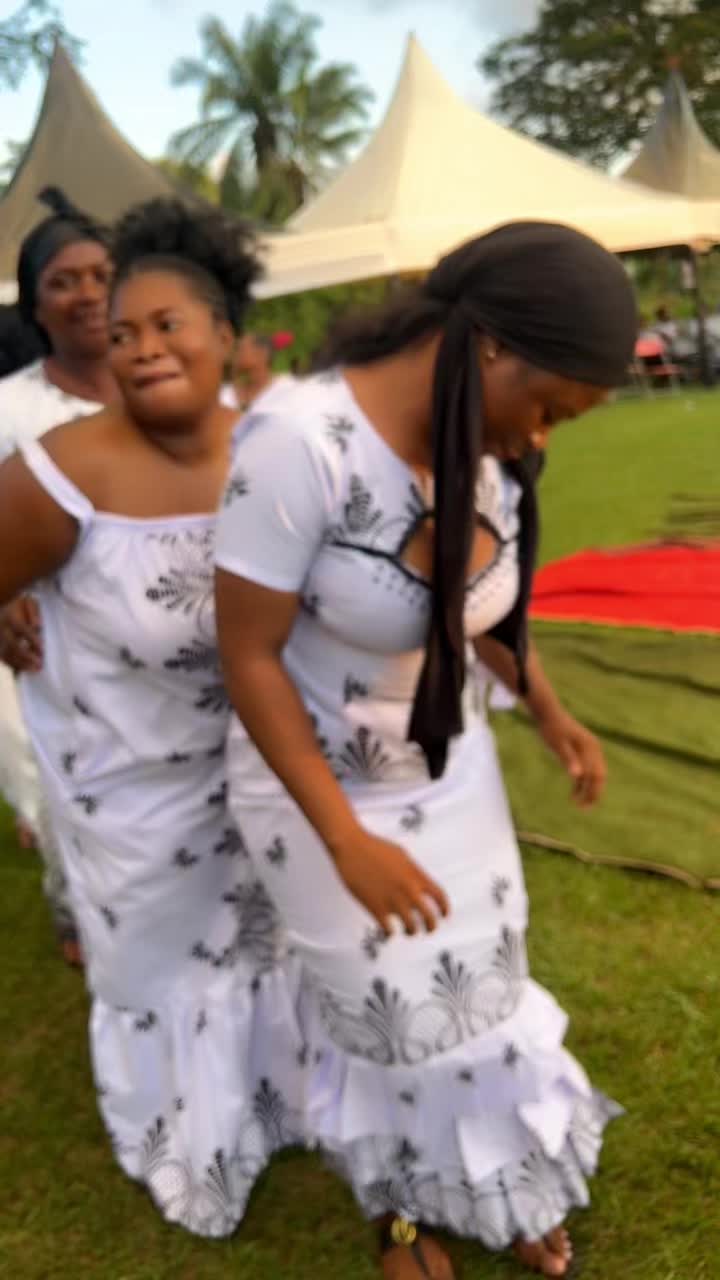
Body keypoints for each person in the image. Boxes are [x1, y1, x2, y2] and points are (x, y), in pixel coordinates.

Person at [214, 222, 638, 1278]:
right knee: (387, 1014)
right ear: (492, 345)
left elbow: (475, 608)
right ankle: (402, 1212)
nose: (539, 437)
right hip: (315, 792)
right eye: (548, 407)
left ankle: (506, 1177)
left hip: (449, 773)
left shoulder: (487, 447)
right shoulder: (298, 441)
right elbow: (249, 657)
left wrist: (547, 708)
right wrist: (344, 840)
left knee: (482, 994)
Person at [0, 198, 300, 1235]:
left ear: (228, 333)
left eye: (167, 324)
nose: (140, 346)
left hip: (257, 765)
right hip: (125, 781)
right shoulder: (58, 470)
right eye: (123, 332)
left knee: (261, 940)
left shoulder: (275, 451)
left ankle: (276, 1093)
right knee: (163, 965)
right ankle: (185, 1128)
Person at [0, 187, 116, 964]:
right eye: (64, 282)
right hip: (60, 649)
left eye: (103, 276)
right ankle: (80, 915)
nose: (88, 295)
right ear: (35, 305)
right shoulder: (10, 408)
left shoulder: (172, 382)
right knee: (75, 789)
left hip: (177, 643)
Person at [225, 329, 295, 410]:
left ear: (261, 354)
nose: (235, 354)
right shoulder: (228, 392)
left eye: (241, 349)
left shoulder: (287, 388)